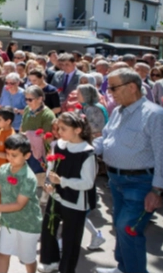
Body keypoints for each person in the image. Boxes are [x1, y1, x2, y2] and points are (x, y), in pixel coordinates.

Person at [94, 68, 163, 274]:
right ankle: (123, 268)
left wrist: (157, 190)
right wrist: (86, 148)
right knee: (120, 225)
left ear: (132, 87)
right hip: (115, 181)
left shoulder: (155, 115)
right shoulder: (118, 111)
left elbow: (162, 154)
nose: (109, 92)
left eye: (113, 87)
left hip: (141, 183)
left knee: (128, 228)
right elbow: (106, 139)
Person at [38, 112, 97, 274]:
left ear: (77, 130)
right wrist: (49, 184)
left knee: (71, 238)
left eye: (63, 129)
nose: (59, 132)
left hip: (75, 202)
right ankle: (50, 260)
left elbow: (88, 182)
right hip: (56, 196)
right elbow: (51, 168)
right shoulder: (58, 145)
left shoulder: (87, 152)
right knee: (48, 229)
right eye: (58, 128)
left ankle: (66, 269)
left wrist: (61, 181)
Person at [0, 134, 42, 274]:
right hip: (8, 222)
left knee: (28, 259)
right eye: (7, 154)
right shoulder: (4, 169)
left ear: (27, 156)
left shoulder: (29, 177)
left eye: (14, 155)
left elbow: (19, 205)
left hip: (27, 224)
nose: (9, 158)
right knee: (3, 253)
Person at [20, 85, 55, 177]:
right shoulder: (27, 109)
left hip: (38, 153)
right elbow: (22, 125)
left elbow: (48, 137)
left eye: (30, 100)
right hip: (25, 148)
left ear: (40, 99)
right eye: (26, 99)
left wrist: (30, 135)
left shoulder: (48, 115)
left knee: (37, 177)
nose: (27, 102)